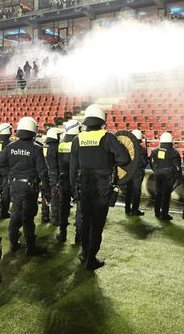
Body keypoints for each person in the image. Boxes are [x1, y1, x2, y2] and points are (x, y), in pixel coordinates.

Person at [70, 104, 130, 270]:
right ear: (102, 120)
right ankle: (91, 259)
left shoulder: (77, 139)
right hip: (102, 188)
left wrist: (74, 191)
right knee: (96, 224)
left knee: (84, 220)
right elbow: (124, 160)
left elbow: (72, 169)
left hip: (82, 186)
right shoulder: (108, 137)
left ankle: (83, 252)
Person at [0, 117, 50, 256]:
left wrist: (10, 174)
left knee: (15, 213)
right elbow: (43, 171)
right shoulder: (36, 148)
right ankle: (31, 247)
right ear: (33, 131)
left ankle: (14, 243)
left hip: (14, 185)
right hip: (29, 188)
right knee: (28, 217)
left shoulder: (11, 146)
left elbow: (0, 162)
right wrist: (47, 191)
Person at [58, 120, 82, 243]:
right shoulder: (79, 143)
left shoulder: (61, 145)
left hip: (63, 180)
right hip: (77, 180)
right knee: (80, 209)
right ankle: (79, 237)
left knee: (63, 208)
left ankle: (62, 234)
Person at [150, 132, 181, 221]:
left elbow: (151, 162)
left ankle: (156, 212)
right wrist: (178, 175)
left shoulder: (155, 151)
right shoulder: (173, 152)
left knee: (158, 194)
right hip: (168, 176)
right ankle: (164, 214)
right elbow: (177, 167)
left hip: (158, 174)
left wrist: (155, 170)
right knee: (166, 195)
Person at [125, 129, 148, 216]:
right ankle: (135, 210)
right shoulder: (141, 149)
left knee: (128, 191)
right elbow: (144, 162)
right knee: (136, 192)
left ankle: (127, 209)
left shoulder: (127, 147)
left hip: (129, 173)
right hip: (137, 173)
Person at [42, 128, 62, 224]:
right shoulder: (57, 147)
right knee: (55, 196)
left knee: (45, 194)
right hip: (54, 173)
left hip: (44, 173)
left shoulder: (44, 146)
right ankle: (55, 219)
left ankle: (45, 216)